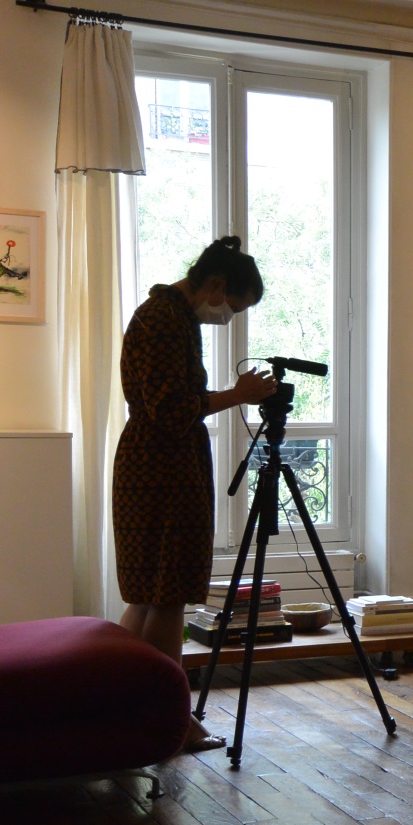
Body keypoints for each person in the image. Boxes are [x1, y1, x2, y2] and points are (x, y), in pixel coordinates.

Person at [112, 236, 279, 753]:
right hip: (162, 469)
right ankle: (172, 720)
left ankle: (128, 707)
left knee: (148, 594)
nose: (227, 316)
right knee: (167, 596)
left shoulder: (169, 316)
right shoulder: (165, 320)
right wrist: (238, 396)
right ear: (216, 285)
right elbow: (170, 408)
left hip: (155, 465)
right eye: (233, 306)